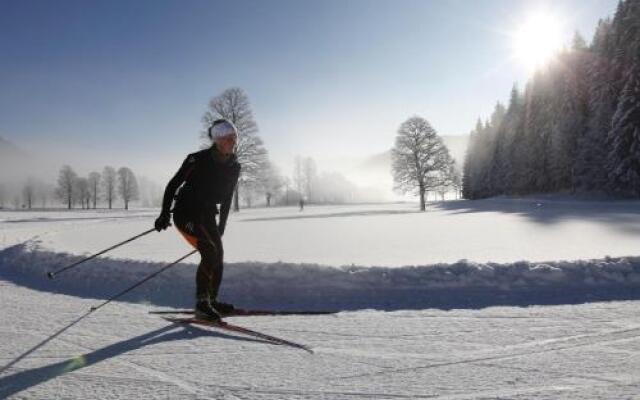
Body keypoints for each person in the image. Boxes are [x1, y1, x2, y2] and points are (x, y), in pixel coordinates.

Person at [154, 119, 241, 322]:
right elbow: (173, 184)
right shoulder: (196, 159)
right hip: (185, 214)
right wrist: (164, 213)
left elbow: (227, 198)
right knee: (209, 252)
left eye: (234, 137)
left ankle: (212, 300)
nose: (232, 141)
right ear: (217, 139)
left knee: (218, 255)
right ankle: (202, 304)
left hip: (207, 215)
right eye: (228, 137)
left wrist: (222, 226)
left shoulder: (234, 166)